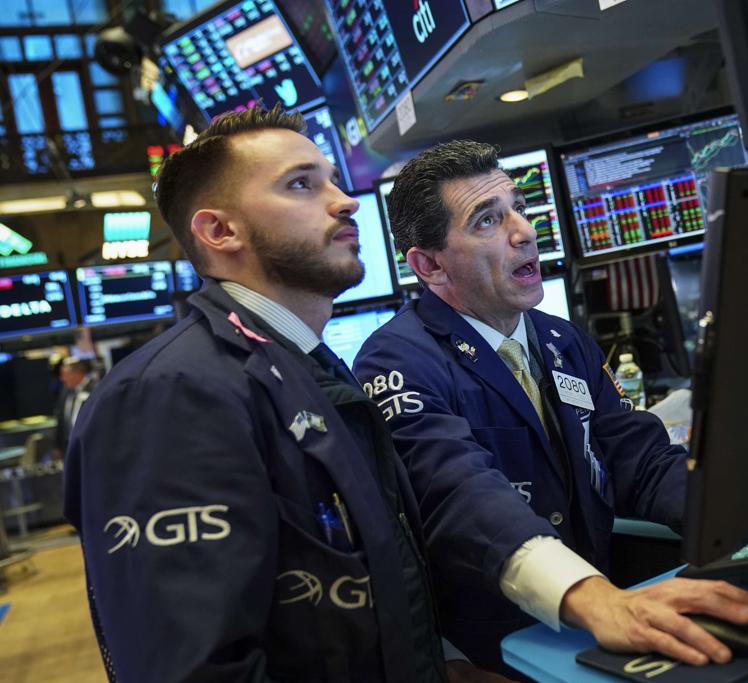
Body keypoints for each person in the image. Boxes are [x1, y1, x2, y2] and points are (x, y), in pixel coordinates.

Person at [63, 105, 465, 682]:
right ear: (220, 231)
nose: (345, 200)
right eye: (302, 184)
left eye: (331, 178)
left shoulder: (305, 366)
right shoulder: (172, 393)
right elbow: (192, 670)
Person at [354, 140, 748, 675]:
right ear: (430, 265)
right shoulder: (397, 360)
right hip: (496, 652)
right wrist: (593, 598)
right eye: (487, 220)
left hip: (597, 625)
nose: (524, 231)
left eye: (517, 208)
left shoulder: (561, 340)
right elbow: (460, 494)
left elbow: (638, 460)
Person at [53, 356, 95, 458]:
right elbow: (61, 420)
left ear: (77, 374)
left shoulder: (94, 390)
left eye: (65, 375)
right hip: (69, 448)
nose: (62, 379)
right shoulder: (65, 392)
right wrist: (58, 446)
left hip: (89, 447)